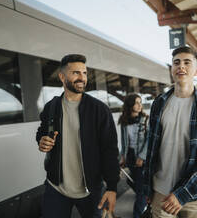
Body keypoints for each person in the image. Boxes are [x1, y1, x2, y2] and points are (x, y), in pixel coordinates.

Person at [36, 54, 120, 218]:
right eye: (76, 73)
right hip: (56, 188)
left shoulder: (99, 110)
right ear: (62, 77)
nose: (82, 78)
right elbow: (42, 131)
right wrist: (41, 140)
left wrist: (112, 187)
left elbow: (110, 150)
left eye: (84, 73)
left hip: (91, 190)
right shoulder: (51, 107)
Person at [143, 46, 197, 218]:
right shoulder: (159, 103)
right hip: (160, 192)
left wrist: (183, 195)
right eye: (176, 63)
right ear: (171, 69)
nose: (181, 67)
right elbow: (151, 148)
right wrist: (147, 187)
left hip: (192, 196)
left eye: (187, 62)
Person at [119, 93, 149, 218]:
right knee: (132, 181)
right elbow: (124, 142)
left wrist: (142, 157)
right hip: (130, 156)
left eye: (140, 102)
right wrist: (123, 157)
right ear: (130, 105)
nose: (139, 105)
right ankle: (145, 197)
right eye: (136, 102)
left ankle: (138, 214)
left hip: (142, 157)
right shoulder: (124, 121)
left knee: (140, 188)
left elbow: (149, 140)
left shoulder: (146, 119)